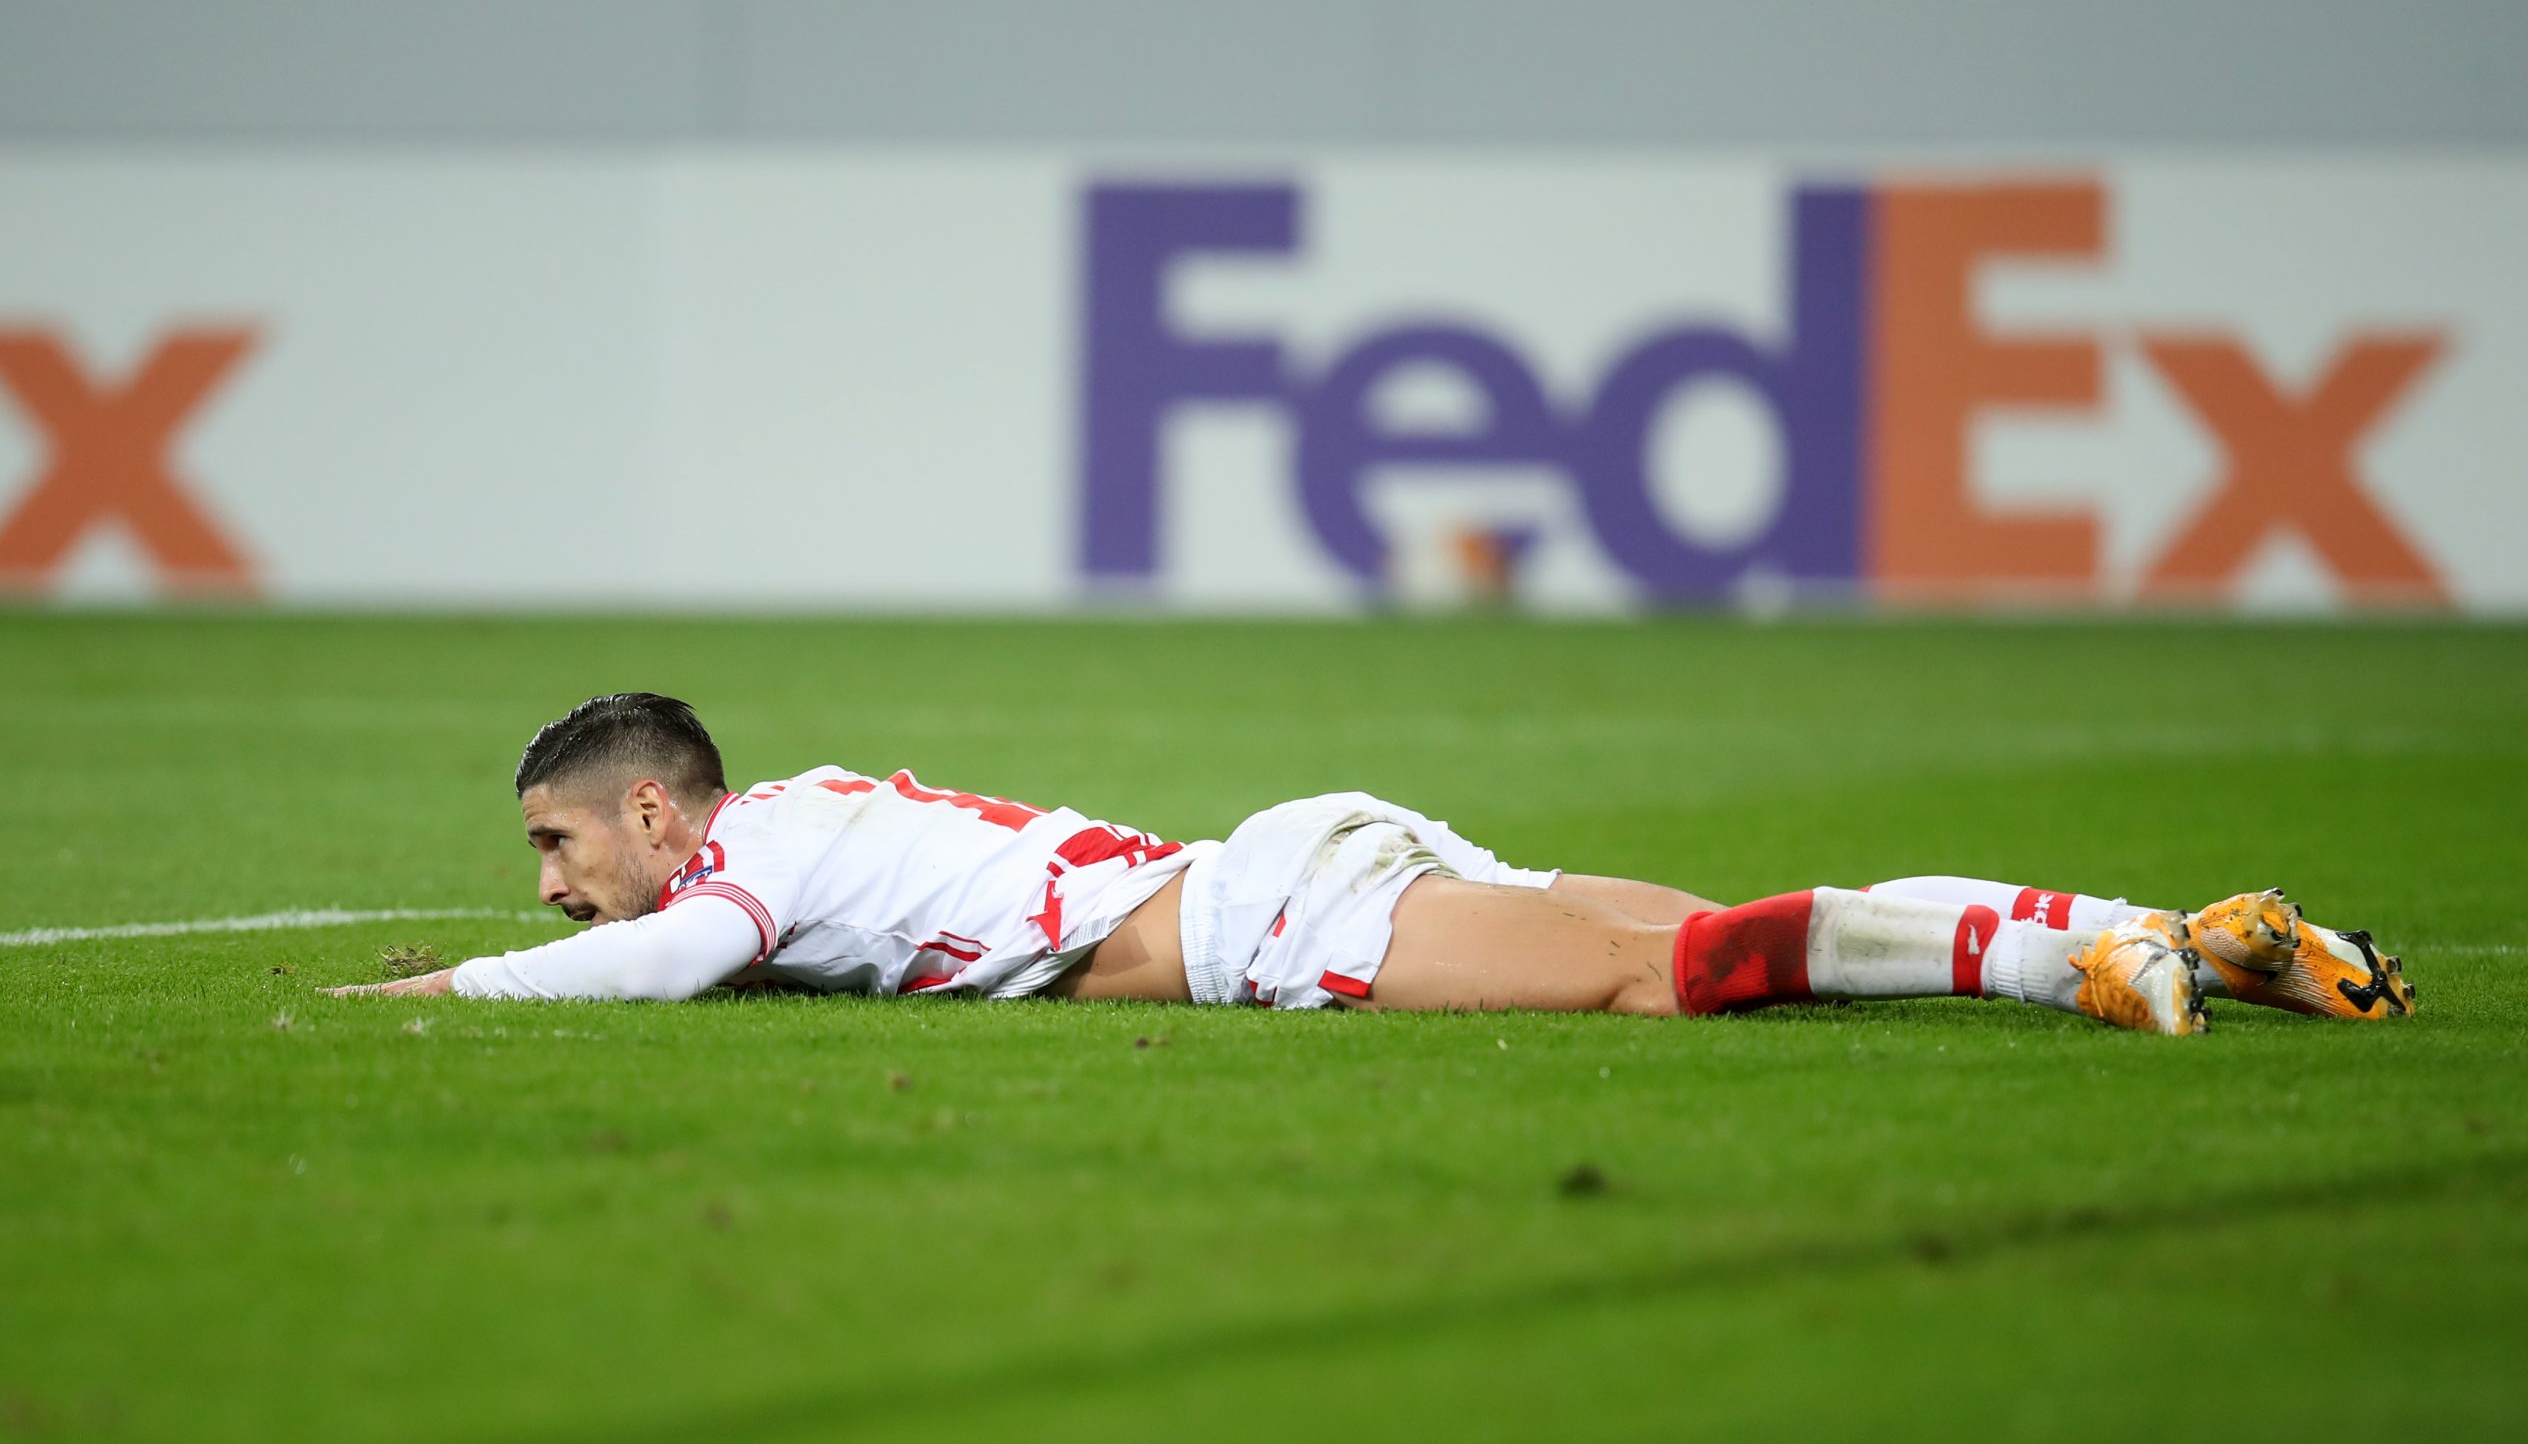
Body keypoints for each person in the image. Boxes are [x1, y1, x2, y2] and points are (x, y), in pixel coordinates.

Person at [326, 693, 2416, 1035]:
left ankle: (2070, 967)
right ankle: (2172, 934)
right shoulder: (802, 817)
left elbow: (663, 962)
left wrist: (435, 992)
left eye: (557, 842)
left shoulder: (750, 861)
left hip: (1273, 915)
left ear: (659, 814)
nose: (548, 884)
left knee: (1667, 976)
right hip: (1291, 857)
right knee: (1702, 934)